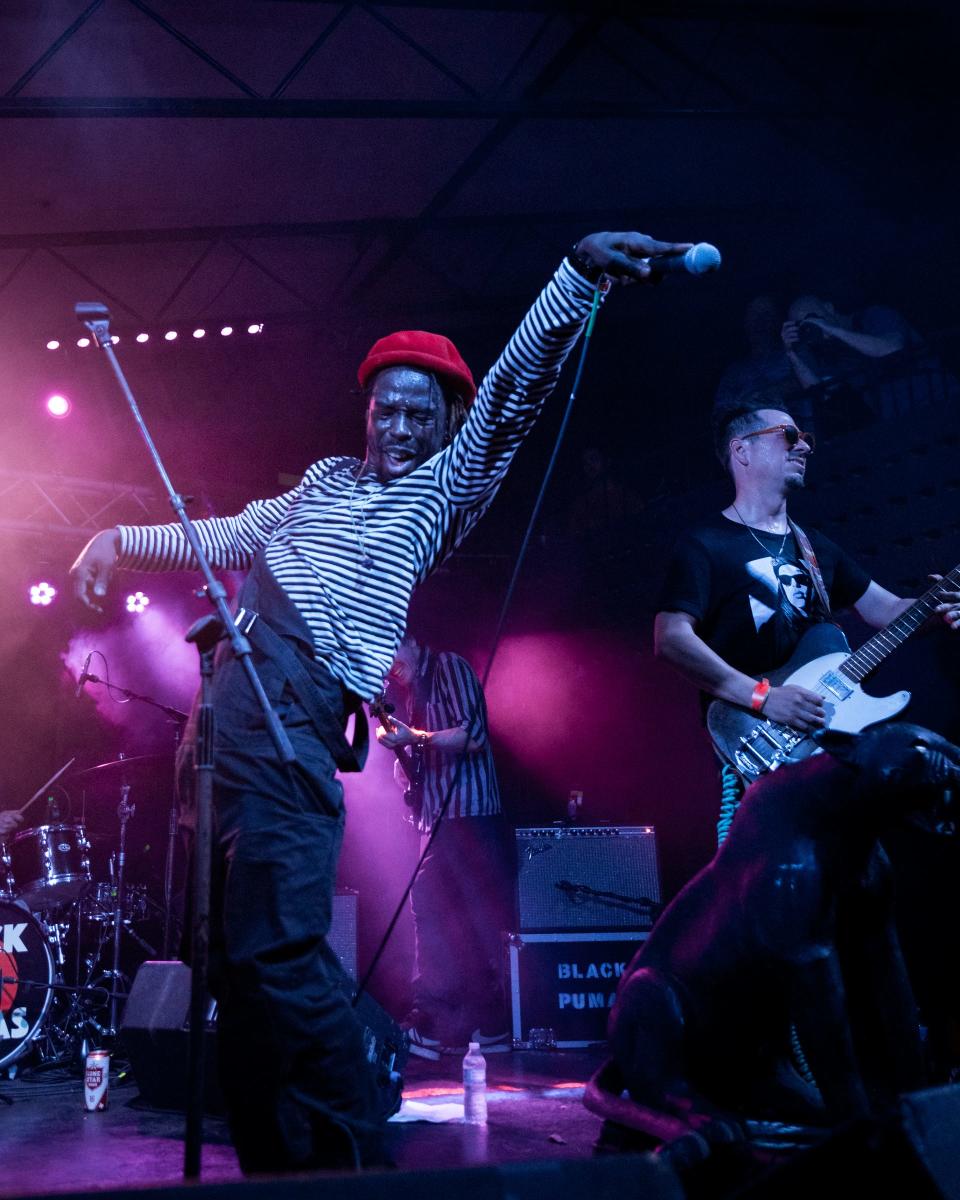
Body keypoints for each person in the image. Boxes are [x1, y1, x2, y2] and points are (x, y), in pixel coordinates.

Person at [69, 229, 690, 1174]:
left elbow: (515, 395)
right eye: (385, 410)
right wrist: (120, 537)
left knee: (276, 948)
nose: (398, 426)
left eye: (419, 412)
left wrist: (573, 273)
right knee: (230, 966)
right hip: (227, 702)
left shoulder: (443, 490)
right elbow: (232, 532)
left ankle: (362, 1101)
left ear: (445, 424)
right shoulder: (322, 482)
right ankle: (277, 1161)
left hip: (296, 703)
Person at [654, 393, 960, 840]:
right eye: (789, 436)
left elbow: (887, 611)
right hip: (754, 737)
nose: (805, 446)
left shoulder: (814, 546)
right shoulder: (706, 543)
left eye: (806, 438)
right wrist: (764, 698)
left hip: (827, 737)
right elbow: (670, 639)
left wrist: (936, 603)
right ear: (742, 450)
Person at [376, 633, 513, 1058]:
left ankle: (434, 1024)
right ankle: (480, 1025)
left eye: (391, 652)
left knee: (436, 911)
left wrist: (413, 738)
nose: (390, 666)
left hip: (468, 819)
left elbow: (472, 736)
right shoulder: (411, 691)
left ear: (411, 642)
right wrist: (405, 769)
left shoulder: (448, 666)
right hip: (439, 820)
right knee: (455, 922)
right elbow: (423, 757)